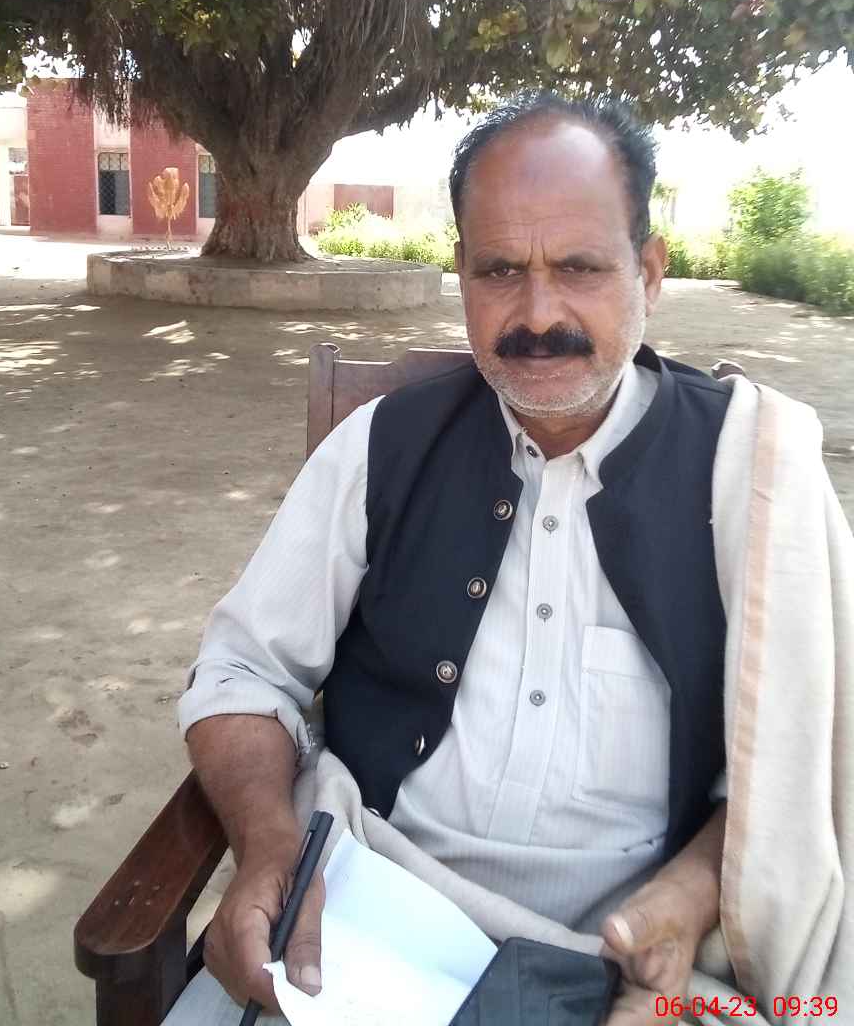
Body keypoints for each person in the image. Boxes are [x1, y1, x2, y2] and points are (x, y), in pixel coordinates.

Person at [176, 94, 792, 1024]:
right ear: (460, 271)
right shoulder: (384, 446)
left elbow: (807, 765)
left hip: (632, 961)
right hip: (362, 923)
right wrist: (268, 847)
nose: (539, 314)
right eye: (500, 270)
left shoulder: (747, 476)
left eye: (580, 267)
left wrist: (697, 890)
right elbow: (240, 671)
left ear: (650, 272)